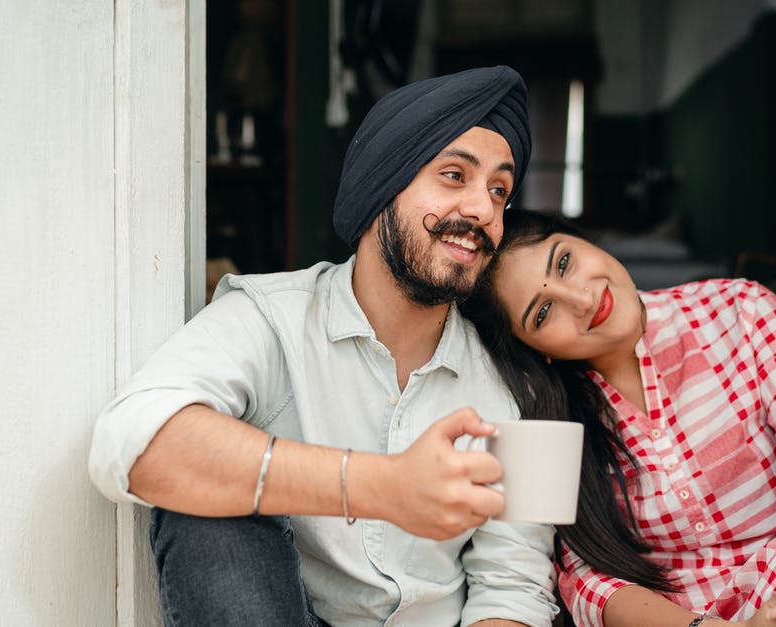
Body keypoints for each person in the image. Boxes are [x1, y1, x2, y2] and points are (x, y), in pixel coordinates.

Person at [88, 66, 559, 627]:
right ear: (383, 185)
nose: (484, 209)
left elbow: (514, 587)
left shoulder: (511, 381)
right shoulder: (269, 317)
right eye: (454, 175)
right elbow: (127, 441)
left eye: (499, 191)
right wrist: (379, 486)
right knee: (204, 502)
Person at [459, 210, 776, 627]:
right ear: (534, 348)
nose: (583, 300)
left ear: (582, 239)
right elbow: (585, 578)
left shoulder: (740, 311)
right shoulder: (532, 409)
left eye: (564, 262)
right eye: (544, 313)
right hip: (676, 621)